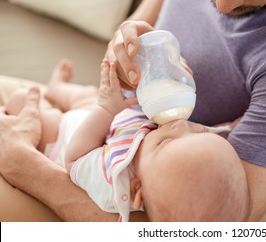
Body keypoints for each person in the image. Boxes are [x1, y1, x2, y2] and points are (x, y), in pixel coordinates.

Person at [0, 0, 266, 221]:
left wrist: (23, 165)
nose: (224, 3)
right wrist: (125, 53)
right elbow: (125, 46)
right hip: (109, 126)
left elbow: (200, 228)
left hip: (95, 191)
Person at [4, 58, 249, 222]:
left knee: (22, 99)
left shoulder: (114, 180)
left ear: (136, 191)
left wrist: (107, 110)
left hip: (63, 134)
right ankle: (56, 88)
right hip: (109, 119)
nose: (179, 125)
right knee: (86, 95)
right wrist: (226, 130)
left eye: (164, 143)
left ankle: (47, 99)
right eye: (199, 132)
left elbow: (75, 158)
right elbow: (207, 146)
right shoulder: (172, 162)